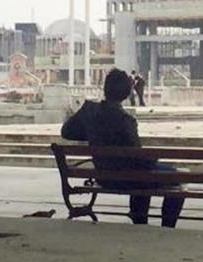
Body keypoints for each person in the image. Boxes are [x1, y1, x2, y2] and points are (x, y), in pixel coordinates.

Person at [60, 69, 184, 227]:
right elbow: (137, 157)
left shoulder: (89, 111)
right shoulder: (126, 120)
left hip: (104, 175)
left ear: (105, 89)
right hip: (125, 177)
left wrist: (93, 133)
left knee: (143, 174)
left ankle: (139, 219)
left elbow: (67, 131)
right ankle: (167, 226)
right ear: (127, 93)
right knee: (175, 177)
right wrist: (152, 159)